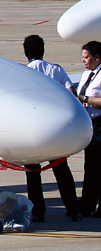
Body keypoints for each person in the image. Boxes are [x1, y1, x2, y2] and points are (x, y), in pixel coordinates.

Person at [21, 35, 81, 222]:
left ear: (26, 51)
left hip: (33, 130)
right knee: (61, 170)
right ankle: (73, 209)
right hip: (56, 129)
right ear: (43, 50)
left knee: (33, 171)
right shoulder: (56, 69)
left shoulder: (22, 72)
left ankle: (38, 212)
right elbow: (71, 92)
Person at [77, 40, 101, 217]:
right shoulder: (87, 74)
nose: (84, 61)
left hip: (100, 123)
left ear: (97, 58)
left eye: (87, 57)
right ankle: (87, 203)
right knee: (90, 166)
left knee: (97, 166)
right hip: (89, 125)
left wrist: (84, 99)